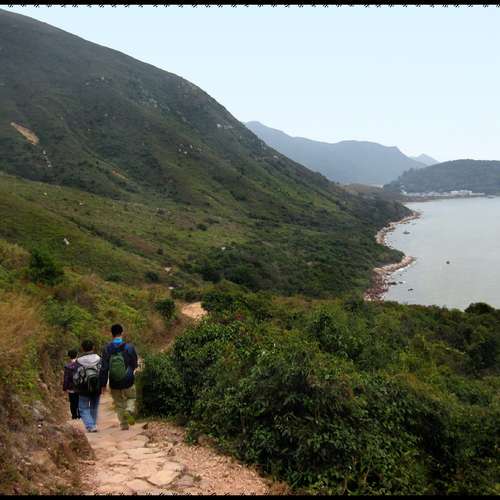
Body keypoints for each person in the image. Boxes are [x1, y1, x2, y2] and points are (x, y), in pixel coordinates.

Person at [100, 324, 138, 430]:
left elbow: (104, 368)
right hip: (128, 379)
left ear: (111, 334)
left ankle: (124, 425)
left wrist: (103, 384)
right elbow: (135, 364)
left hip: (114, 380)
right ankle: (129, 410)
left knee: (119, 403)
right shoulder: (129, 347)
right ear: (122, 332)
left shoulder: (107, 349)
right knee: (131, 397)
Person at [74, 339, 102, 433]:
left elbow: (76, 376)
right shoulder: (99, 358)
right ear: (93, 347)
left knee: (83, 408)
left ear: (82, 348)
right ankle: (93, 424)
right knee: (94, 406)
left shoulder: (78, 361)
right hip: (97, 386)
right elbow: (103, 371)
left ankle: (90, 425)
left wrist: (76, 386)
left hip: (83, 387)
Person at [63, 349, 80, 419]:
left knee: (72, 402)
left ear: (69, 356)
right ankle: (80, 414)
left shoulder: (67, 366)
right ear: (77, 355)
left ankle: (74, 415)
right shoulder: (80, 365)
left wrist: (65, 388)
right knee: (79, 401)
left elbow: (66, 378)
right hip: (79, 387)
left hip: (71, 388)